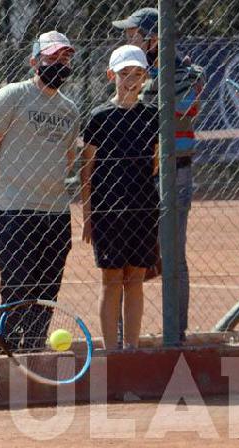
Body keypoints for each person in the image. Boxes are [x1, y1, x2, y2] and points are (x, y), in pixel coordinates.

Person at [0, 31, 80, 351]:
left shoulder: (69, 109)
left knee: (48, 289)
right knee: (17, 287)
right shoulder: (11, 97)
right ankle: (7, 349)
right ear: (34, 61)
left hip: (56, 212)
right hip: (15, 209)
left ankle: (33, 347)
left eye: (65, 58)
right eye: (52, 57)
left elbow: (68, 158)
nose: (60, 63)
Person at [113, 6, 205, 340]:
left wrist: (157, 76)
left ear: (153, 38)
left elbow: (179, 108)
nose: (127, 39)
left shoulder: (187, 72)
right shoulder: (131, 70)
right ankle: (123, 338)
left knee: (173, 257)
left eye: (133, 34)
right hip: (136, 172)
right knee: (127, 255)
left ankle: (175, 335)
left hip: (174, 171)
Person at [80, 45, 160, 350]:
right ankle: (111, 351)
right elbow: (87, 169)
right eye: (124, 73)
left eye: (137, 74)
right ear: (111, 75)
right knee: (111, 281)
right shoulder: (99, 117)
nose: (131, 80)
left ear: (145, 78)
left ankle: (131, 348)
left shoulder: (152, 116)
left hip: (143, 209)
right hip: (108, 213)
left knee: (135, 281)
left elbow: (154, 161)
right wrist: (88, 215)